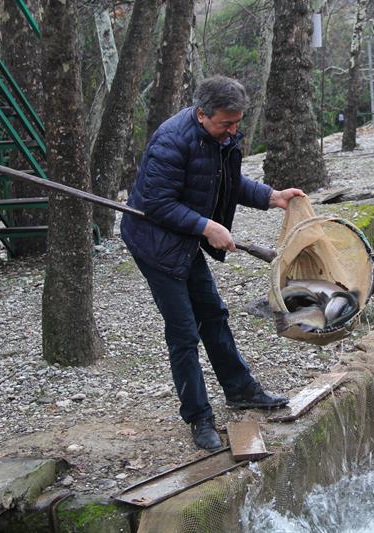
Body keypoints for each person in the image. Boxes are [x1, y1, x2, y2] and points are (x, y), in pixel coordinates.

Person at [121, 76, 305, 451]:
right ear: (202, 114)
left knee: (214, 314)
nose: (233, 131)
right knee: (184, 332)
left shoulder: (219, 137)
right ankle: (198, 417)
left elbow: (226, 182)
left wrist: (272, 197)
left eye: (237, 123)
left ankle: (240, 390)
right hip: (155, 244)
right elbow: (157, 204)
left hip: (184, 240)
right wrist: (207, 226)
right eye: (227, 123)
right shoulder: (170, 142)